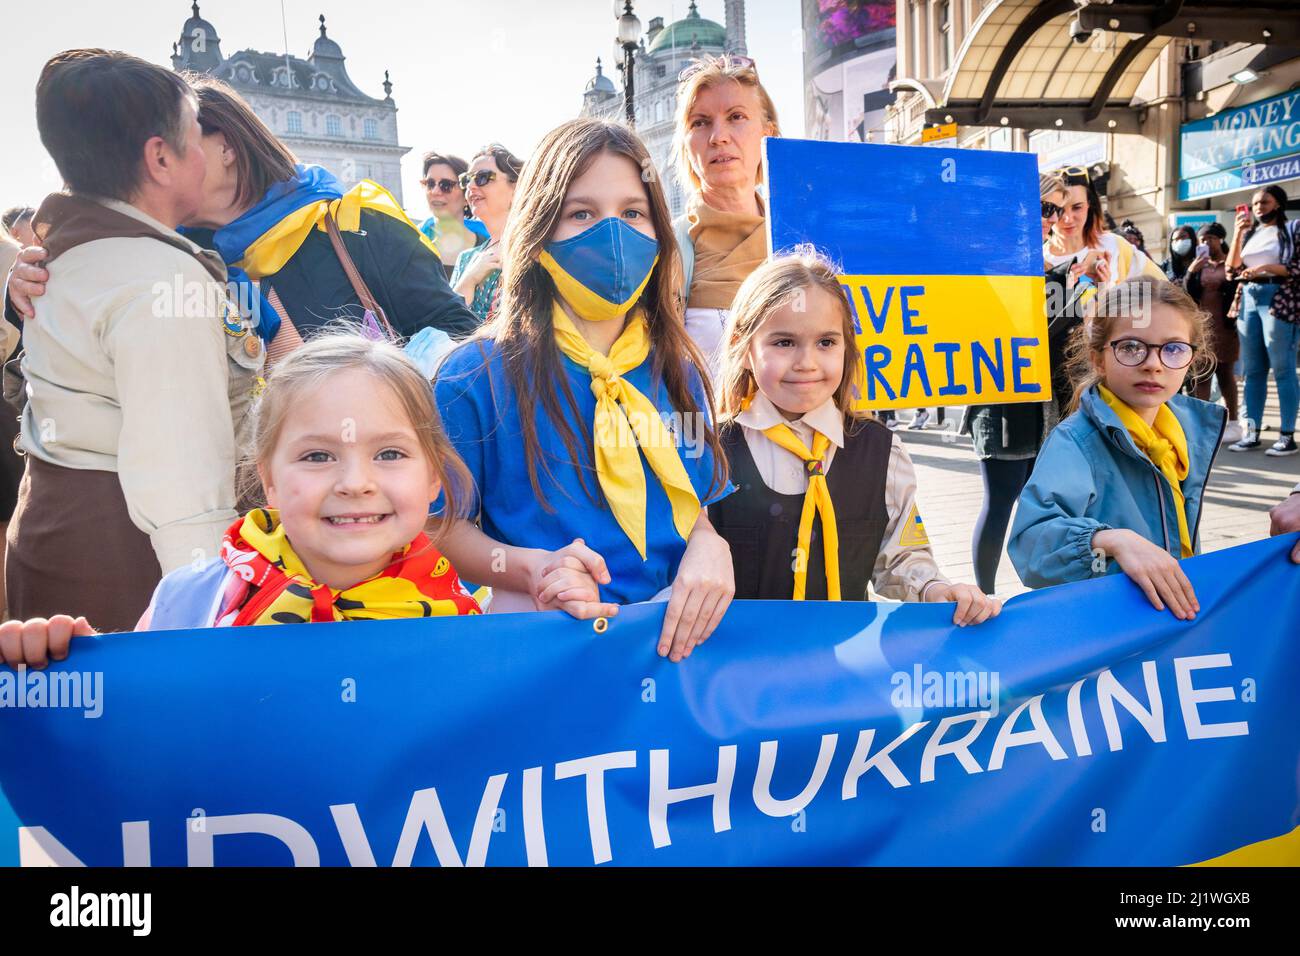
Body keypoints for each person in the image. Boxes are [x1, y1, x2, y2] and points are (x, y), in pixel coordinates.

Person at [0, 332, 487, 668]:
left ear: (433, 480)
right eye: (318, 456)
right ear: (269, 481)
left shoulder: (471, 628)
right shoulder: (188, 602)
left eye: (389, 453)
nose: (355, 482)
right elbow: (142, 732)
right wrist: (80, 671)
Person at [434, 118, 734, 663]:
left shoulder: (681, 371)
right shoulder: (473, 376)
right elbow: (440, 527)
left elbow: (697, 508)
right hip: (539, 650)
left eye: (632, 213)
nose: (612, 234)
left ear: (659, 233)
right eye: (582, 214)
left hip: (672, 649)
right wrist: (529, 568)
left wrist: (712, 547)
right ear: (538, 232)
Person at [6, 49, 260, 633]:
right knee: (162, 722)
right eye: (198, 136)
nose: (212, 153)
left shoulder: (73, 251)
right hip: (132, 570)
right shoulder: (161, 280)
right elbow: (184, 482)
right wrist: (209, 621)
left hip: (57, 540)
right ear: (161, 157)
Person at [7, 76, 479, 362]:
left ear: (227, 146)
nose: (156, 161)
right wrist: (28, 288)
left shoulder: (357, 225)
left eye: (177, 140)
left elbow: (461, 341)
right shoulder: (175, 256)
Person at [708, 248, 1000, 625]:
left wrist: (935, 589)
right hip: (741, 669)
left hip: (845, 671)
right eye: (783, 342)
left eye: (826, 342)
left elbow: (900, 557)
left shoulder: (882, 451)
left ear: (848, 348)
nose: (807, 362)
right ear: (744, 350)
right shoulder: (711, 455)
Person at [1008, 278, 1226, 619]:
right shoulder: (1076, 442)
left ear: (1191, 359)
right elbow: (1032, 546)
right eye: (1131, 347)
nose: (1153, 363)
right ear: (1098, 358)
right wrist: (1110, 540)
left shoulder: (1187, 432)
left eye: (1173, 348)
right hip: (1110, 627)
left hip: (1172, 622)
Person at [960, 173, 1093, 594]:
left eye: (1056, 209)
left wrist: (1087, 296)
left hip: (1047, 406)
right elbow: (1008, 342)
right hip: (1001, 404)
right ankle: (984, 597)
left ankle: (1048, 589)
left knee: (1044, 505)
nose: (1052, 218)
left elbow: (1057, 343)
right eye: (1044, 208)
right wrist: (1071, 307)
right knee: (1001, 503)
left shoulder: (1052, 273)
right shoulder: (988, 269)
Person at [671, 54, 780, 371]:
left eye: (736, 117)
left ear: (767, 135)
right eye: (700, 122)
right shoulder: (665, 249)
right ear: (686, 145)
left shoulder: (801, 236)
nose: (718, 136)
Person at [1224, 185, 1299, 456]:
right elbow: (1231, 271)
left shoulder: (1292, 230)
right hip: (1249, 297)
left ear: (1278, 204)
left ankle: (1287, 435)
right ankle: (1251, 433)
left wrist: (1266, 268)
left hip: (1278, 296)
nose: (1258, 207)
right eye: (1255, 203)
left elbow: (1297, 267)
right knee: (1253, 370)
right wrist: (1238, 233)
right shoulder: (1251, 233)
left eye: (1265, 202)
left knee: (1282, 368)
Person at [1044, 166, 1163, 283]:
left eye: (1077, 207)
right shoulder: (1037, 260)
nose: (1068, 219)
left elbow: (1164, 290)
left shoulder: (1114, 245)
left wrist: (1106, 288)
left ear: (1089, 204)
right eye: (1059, 209)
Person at [1182, 222, 1242, 444]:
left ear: (1220, 239)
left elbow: (1235, 287)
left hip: (1225, 328)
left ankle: (1234, 422)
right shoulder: (1198, 265)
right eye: (1202, 239)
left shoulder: (1231, 263)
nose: (1205, 243)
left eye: (1210, 238)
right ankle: (1201, 424)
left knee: (1225, 374)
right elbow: (1187, 295)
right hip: (1202, 329)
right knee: (1202, 375)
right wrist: (1191, 272)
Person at [449, 144, 522, 324]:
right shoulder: (466, 259)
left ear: (516, 188)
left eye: (483, 178)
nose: (471, 186)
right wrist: (469, 279)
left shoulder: (535, 249)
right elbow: (447, 322)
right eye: (467, 180)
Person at [417, 151, 482, 274]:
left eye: (446, 185)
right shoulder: (411, 248)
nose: (435, 191)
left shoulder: (489, 248)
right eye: (430, 184)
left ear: (466, 195)